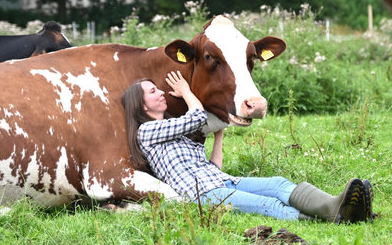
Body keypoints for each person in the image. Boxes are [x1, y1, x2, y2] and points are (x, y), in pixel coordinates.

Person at [121, 71, 374, 223]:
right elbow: (196, 117)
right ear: (143, 107)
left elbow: (212, 168)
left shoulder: (175, 132)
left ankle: (337, 206)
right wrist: (186, 91)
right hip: (206, 196)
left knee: (277, 184)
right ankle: (339, 215)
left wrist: (218, 138)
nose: (161, 92)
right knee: (271, 206)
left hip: (223, 181)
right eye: (153, 91)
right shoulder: (147, 132)